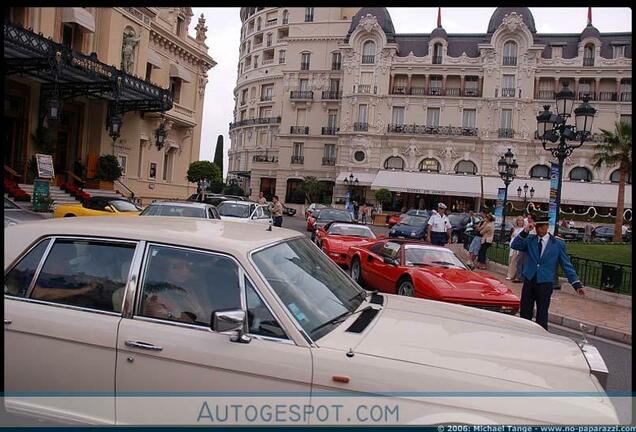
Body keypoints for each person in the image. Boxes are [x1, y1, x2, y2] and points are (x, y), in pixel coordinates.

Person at [511, 214, 585, 330]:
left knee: (542, 313)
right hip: (530, 280)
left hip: (545, 282)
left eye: (542, 227)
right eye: (537, 226)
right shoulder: (530, 240)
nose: (539, 229)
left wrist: (576, 284)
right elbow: (515, 245)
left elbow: (566, 265)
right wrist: (525, 231)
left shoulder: (557, 244)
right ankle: (524, 333)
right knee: (525, 312)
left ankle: (542, 337)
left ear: (547, 227)